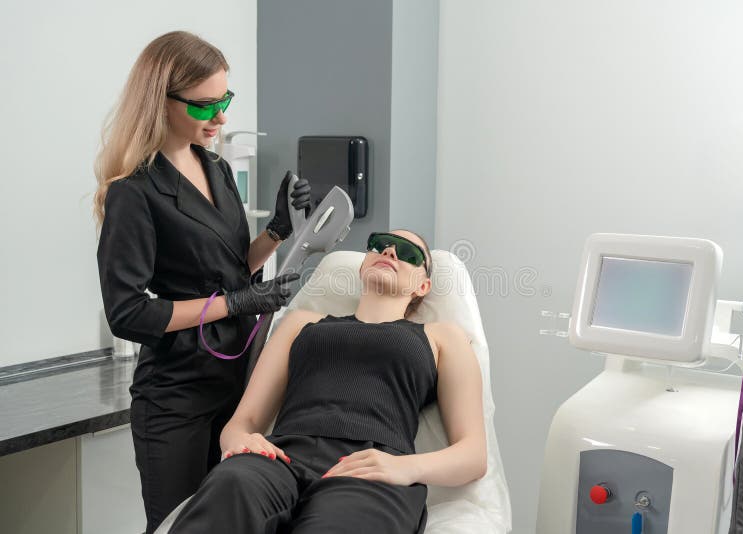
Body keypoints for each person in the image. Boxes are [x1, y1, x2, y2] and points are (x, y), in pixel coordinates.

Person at [93, 31, 311, 533]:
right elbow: (128, 313)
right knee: (180, 526)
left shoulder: (216, 169)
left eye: (225, 100)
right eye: (205, 106)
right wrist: (236, 303)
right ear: (161, 102)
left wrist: (277, 230)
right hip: (176, 400)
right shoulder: (134, 192)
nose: (221, 118)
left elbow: (232, 268)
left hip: (236, 391)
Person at [167, 230, 487, 534]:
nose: (389, 251)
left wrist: (405, 468)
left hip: (369, 472)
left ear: (423, 285)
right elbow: (242, 423)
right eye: (380, 244)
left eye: (408, 253)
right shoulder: (301, 323)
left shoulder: (441, 336)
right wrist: (236, 441)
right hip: (279, 459)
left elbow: (474, 454)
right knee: (229, 488)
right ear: (364, 265)